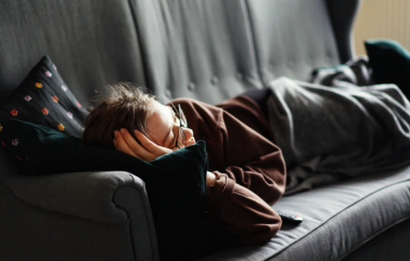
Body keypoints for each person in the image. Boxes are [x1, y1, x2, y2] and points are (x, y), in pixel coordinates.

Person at [83, 83, 286, 246]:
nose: (188, 132)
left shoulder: (189, 112)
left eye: (176, 117)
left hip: (275, 107)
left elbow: (273, 172)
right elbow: (266, 221)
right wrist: (200, 175)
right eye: (174, 137)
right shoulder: (169, 198)